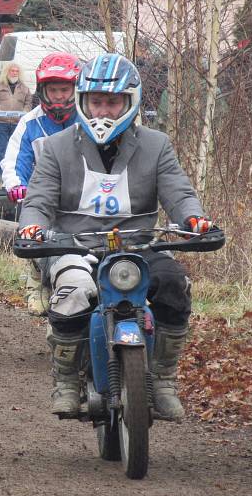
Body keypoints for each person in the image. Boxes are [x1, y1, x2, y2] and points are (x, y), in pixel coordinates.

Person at [17, 53, 213, 421]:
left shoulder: (156, 145)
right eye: (96, 101)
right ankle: (66, 382)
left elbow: (178, 192)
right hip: (72, 245)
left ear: (130, 101)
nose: (103, 110)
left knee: (173, 283)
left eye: (112, 101)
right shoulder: (58, 147)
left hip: (140, 244)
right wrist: (33, 226)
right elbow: (38, 197)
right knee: (73, 292)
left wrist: (194, 219)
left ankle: (165, 379)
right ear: (83, 101)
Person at [1, 53, 82, 315]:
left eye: (64, 89)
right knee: (36, 236)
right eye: (53, 90)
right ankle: (36, 282)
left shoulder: (87, 121)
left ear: (75, 89)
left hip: (85, 195)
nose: (59, 96)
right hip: (43, 197)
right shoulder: (30, 123)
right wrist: (16, 184)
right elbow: (14, 160)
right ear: (42, 91)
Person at [0, 62, 33, 175]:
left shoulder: (24, 88)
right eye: (12, 70)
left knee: (16, 150)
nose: (15, 73)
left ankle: (16, 174)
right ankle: (0, 175)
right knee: (0, 150)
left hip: (18, 123)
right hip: (1, 123)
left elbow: (29, 102)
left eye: (17, 71)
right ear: (7, 72)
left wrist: (25, 112)